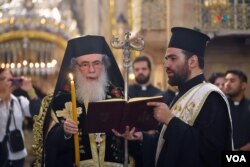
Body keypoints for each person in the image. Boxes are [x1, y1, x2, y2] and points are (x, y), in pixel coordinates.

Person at [113, 27, 233, 167]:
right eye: (166, 59)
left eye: (173, 58)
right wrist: (142, 138)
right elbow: (168, 147)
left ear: (192, 62)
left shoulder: (211, 97)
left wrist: (170, 120)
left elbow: (211, 153)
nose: (166, 65)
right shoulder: (181, 95)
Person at [41, 35, 136, 167]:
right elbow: (49, 143)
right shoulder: (62, 100)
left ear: (104, 65)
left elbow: (134, 138)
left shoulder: (118, 95)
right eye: (84, 64)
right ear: (75, 67)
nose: (91, 70)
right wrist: (64, 132)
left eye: (97, 63)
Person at [0, 68, 41, 167]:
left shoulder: (19, 101)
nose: (8, 82)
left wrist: (30, 90)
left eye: (10, 79)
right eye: (3, 78)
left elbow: (37, 112)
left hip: (18, 154)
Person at [224, 69, 250, 151]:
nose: (227, 84)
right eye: (226, 80)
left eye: (232, 81)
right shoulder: (220, 105)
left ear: (243, 85)